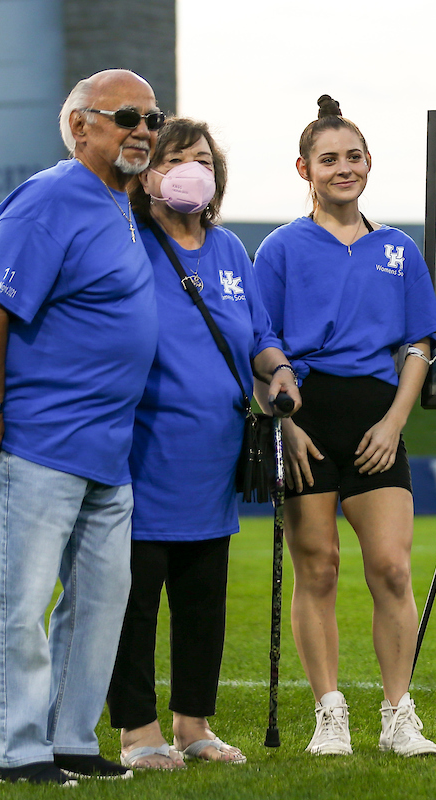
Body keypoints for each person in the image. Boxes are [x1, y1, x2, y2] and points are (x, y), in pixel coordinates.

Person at [0, 69, 162, 785]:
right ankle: (19, 753)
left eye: (153, 119)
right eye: (128, 115)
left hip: (108, 452)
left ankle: (71, 740)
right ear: (81, 126)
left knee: (98, 608)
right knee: (22, 604)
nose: (144, 129)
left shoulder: (118, 205)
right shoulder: (50, 198)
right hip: (40, 443)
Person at [252, 95, 436, 757]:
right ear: (303, 167)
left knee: (391, 569)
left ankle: (398, 716)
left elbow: (419, 344)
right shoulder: (278, 248)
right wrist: (285, 425)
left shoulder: (398, 248)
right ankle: (329, 713)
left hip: (374, 420)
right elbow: (258, 345)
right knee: (320, 569)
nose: (343, 168)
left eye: (353, 157)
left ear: (369, 163)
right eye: (328, 159)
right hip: (302, 418)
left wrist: (394, 421)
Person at [107, 118, 300, 769]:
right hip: (139, 453)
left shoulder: (229, 251)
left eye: (202, 159)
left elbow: (258, 336)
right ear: (147, 174)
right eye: (177, 158)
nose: (193, 169)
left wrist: (278, 372)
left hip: (212, 458)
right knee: (135, 604)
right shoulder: (127, 242)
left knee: (201, 601)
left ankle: (194, 725)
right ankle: (138, 730)